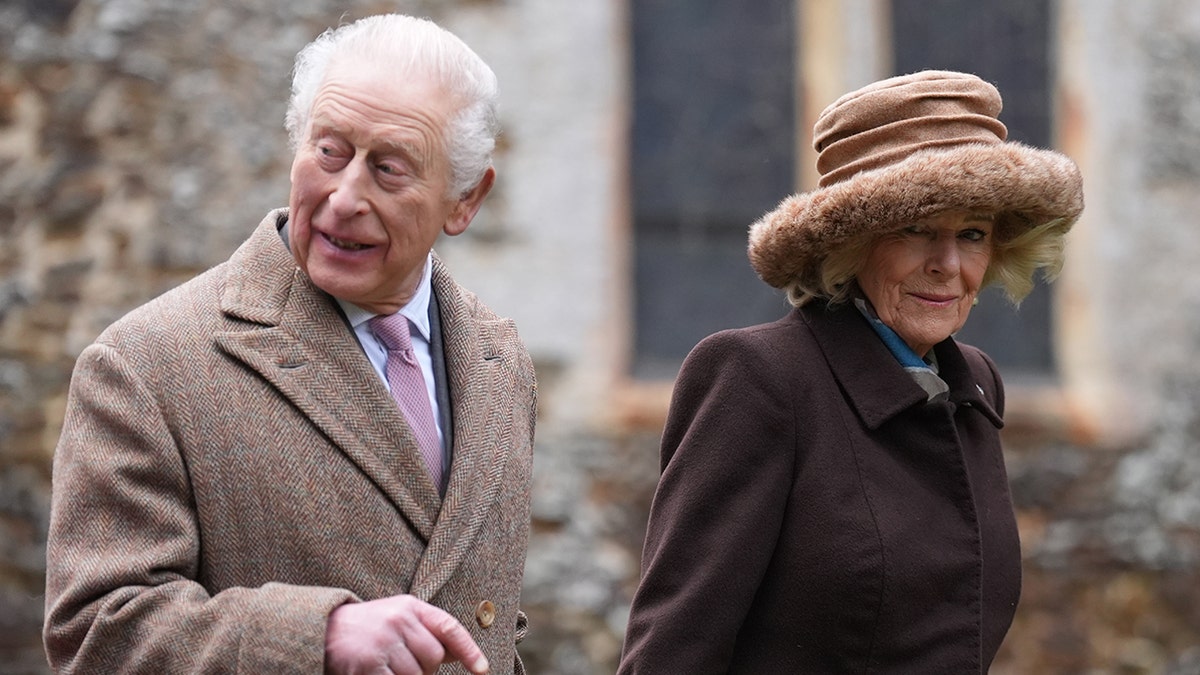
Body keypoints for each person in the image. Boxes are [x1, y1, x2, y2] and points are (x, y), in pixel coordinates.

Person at [42, 14, 537, 675]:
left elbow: (488, 612)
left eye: (388, 169)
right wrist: (317, 635)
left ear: (466, 199)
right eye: (329, 151)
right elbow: (95, 631)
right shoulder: (145, 365)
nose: (344, 197)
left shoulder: (499, 363)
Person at [618, 70, 1083, 673]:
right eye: (916, 228)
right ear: (851, 243)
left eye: (972, 234)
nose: (948, 265)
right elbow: (673, 650)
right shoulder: (758, 376)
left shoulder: (973, 382)